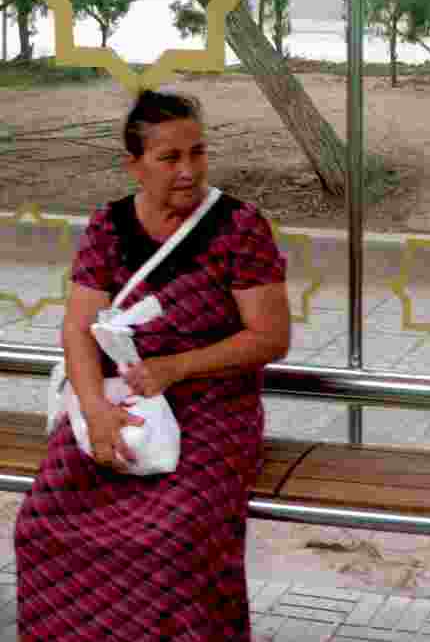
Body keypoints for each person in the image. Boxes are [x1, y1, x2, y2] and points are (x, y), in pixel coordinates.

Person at [15, 90, 292, 641]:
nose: (188, 170)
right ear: (135, 165)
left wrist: (178, 367)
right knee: (44, 523)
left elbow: (271, 337)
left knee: (172, 537)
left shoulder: (239, 227)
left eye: (198, 153)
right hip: (121, 400)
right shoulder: (108, 227)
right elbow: (78, 328)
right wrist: (95, 410)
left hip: (213, 408)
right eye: (170, 158)